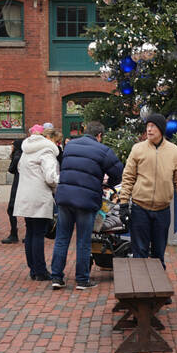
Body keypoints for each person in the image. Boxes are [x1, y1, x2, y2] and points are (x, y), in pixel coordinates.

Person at [51, 121, 123, 291]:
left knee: (62, 238)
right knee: (83, 240)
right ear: (99, 136)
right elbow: (118, 173)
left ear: (85, 132)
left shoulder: (70, 146)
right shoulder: (103, 150)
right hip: (86, 199)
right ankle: (82, 279)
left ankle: (56, 277)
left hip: (65, 197)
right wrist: (107, 185)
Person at [119, 113, 177, 268]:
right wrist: (124, 203)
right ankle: (141, 287)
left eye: (153, 126)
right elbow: (128, 177)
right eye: (148, 126)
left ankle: (159, 290)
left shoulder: (174, 151)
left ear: (161, 129)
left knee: (159, 253)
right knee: (140, 253)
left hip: (162, 209)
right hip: (140, 208)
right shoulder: (138, 149)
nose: (149, 129)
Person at [13, 124, 60, 281]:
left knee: (31, 232)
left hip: (25, 195)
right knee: (38, 233)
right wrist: (59, 185)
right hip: (39, 196)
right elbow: (51, 177)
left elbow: (19, 168)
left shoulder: (26, 150)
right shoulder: (47, 152)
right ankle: (40, 270)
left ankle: (33, 268)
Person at [2, 137, 23, 244]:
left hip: (17, 184)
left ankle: (14, 233)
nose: (11, 147)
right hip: (25, 184)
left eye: (12, 145)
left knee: (11, 209)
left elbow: (11, 169)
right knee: (26, 210)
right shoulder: (25, 155)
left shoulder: (17, 157)